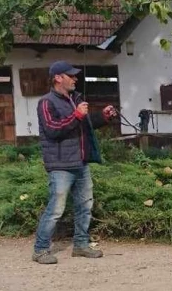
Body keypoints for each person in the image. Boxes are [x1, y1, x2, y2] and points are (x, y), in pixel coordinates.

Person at [33, 61, 118, 264]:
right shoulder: (46, 102)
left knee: (84, 206)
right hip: (60, 165)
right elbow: (53, 129)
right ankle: (40, 250)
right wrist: (76, 115)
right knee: (55, 210)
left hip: (80, 163)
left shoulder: (75, 99)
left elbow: (84, 125)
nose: (75, 78)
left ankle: (80, 245)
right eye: (71, 75)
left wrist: (103, 117)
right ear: (58, 78)